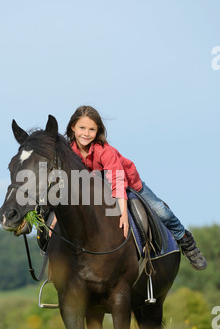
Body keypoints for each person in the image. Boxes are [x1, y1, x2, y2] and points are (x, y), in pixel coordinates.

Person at [63, 105, 207, 271]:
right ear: (73, 127)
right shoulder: (69, 152)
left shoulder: (105, 151)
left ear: (98, 131)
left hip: (130, 185)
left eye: (91, 129)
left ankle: (185, 241)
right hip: (98, 192)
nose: (86, 134)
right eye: (82, 128)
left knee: (160, 210)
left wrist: (123, 213)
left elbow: (117, 182)